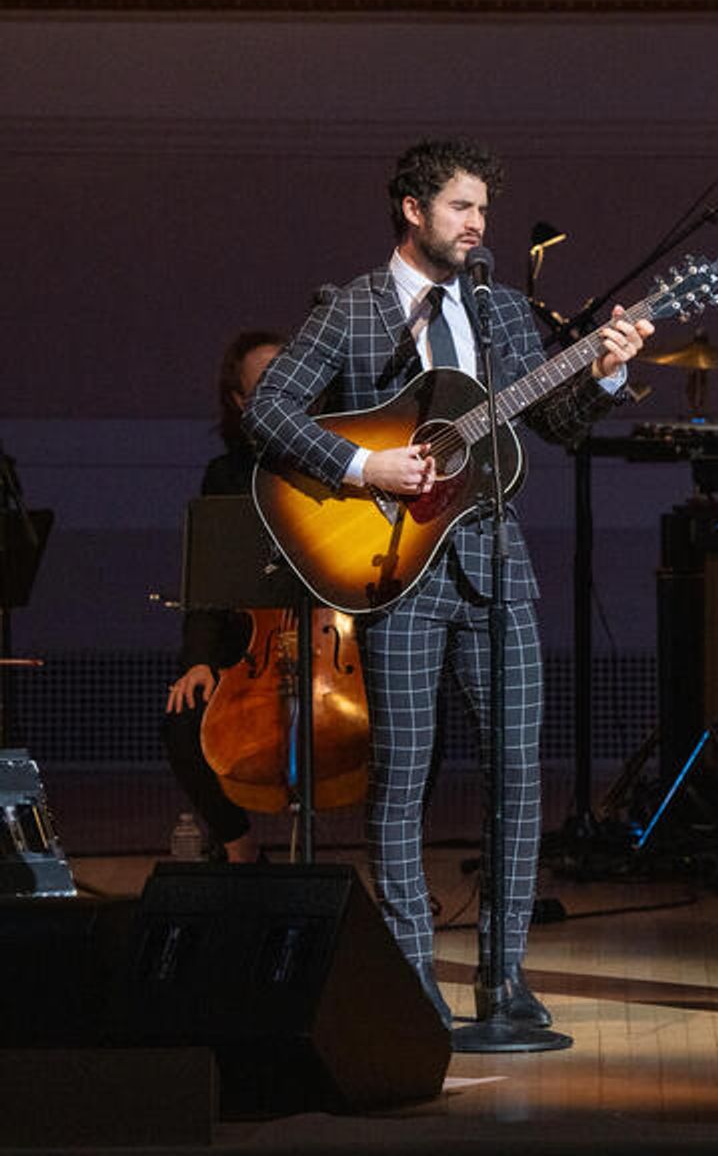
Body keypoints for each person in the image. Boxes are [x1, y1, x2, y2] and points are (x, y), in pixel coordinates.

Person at [243, 139, 652, 1029]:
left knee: (518, 776)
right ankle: (411, 977)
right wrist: (363, 466)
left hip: (497, 568)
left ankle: (503, 980)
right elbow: (268, 411)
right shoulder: (349, 310)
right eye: (463, 208)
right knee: (402, 778)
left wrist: (607, 368)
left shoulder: (502, 313)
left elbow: (561, 422)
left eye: (483, 213)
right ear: (412, 209)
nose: (478, 226)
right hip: (394, 571)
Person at [163, 330, 284, 864]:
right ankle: (241, 852)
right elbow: (209, 584)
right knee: (184, 716)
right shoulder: (226, 474)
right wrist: (200, 663)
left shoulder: (344, 459)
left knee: (421, 718)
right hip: (253, 654)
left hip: (339, 648)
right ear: (239, 401)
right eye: (264, 385)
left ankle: (396, 868)